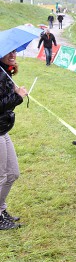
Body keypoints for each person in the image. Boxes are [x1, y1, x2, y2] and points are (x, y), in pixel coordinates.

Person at [0, 50, 28, 230]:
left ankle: (1, 210)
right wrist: (17, 96)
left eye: (15, 51)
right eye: (8, 52)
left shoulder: (5, 72)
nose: (13, 54)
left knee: (12, 174)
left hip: (3, 129)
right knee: (3, 175)